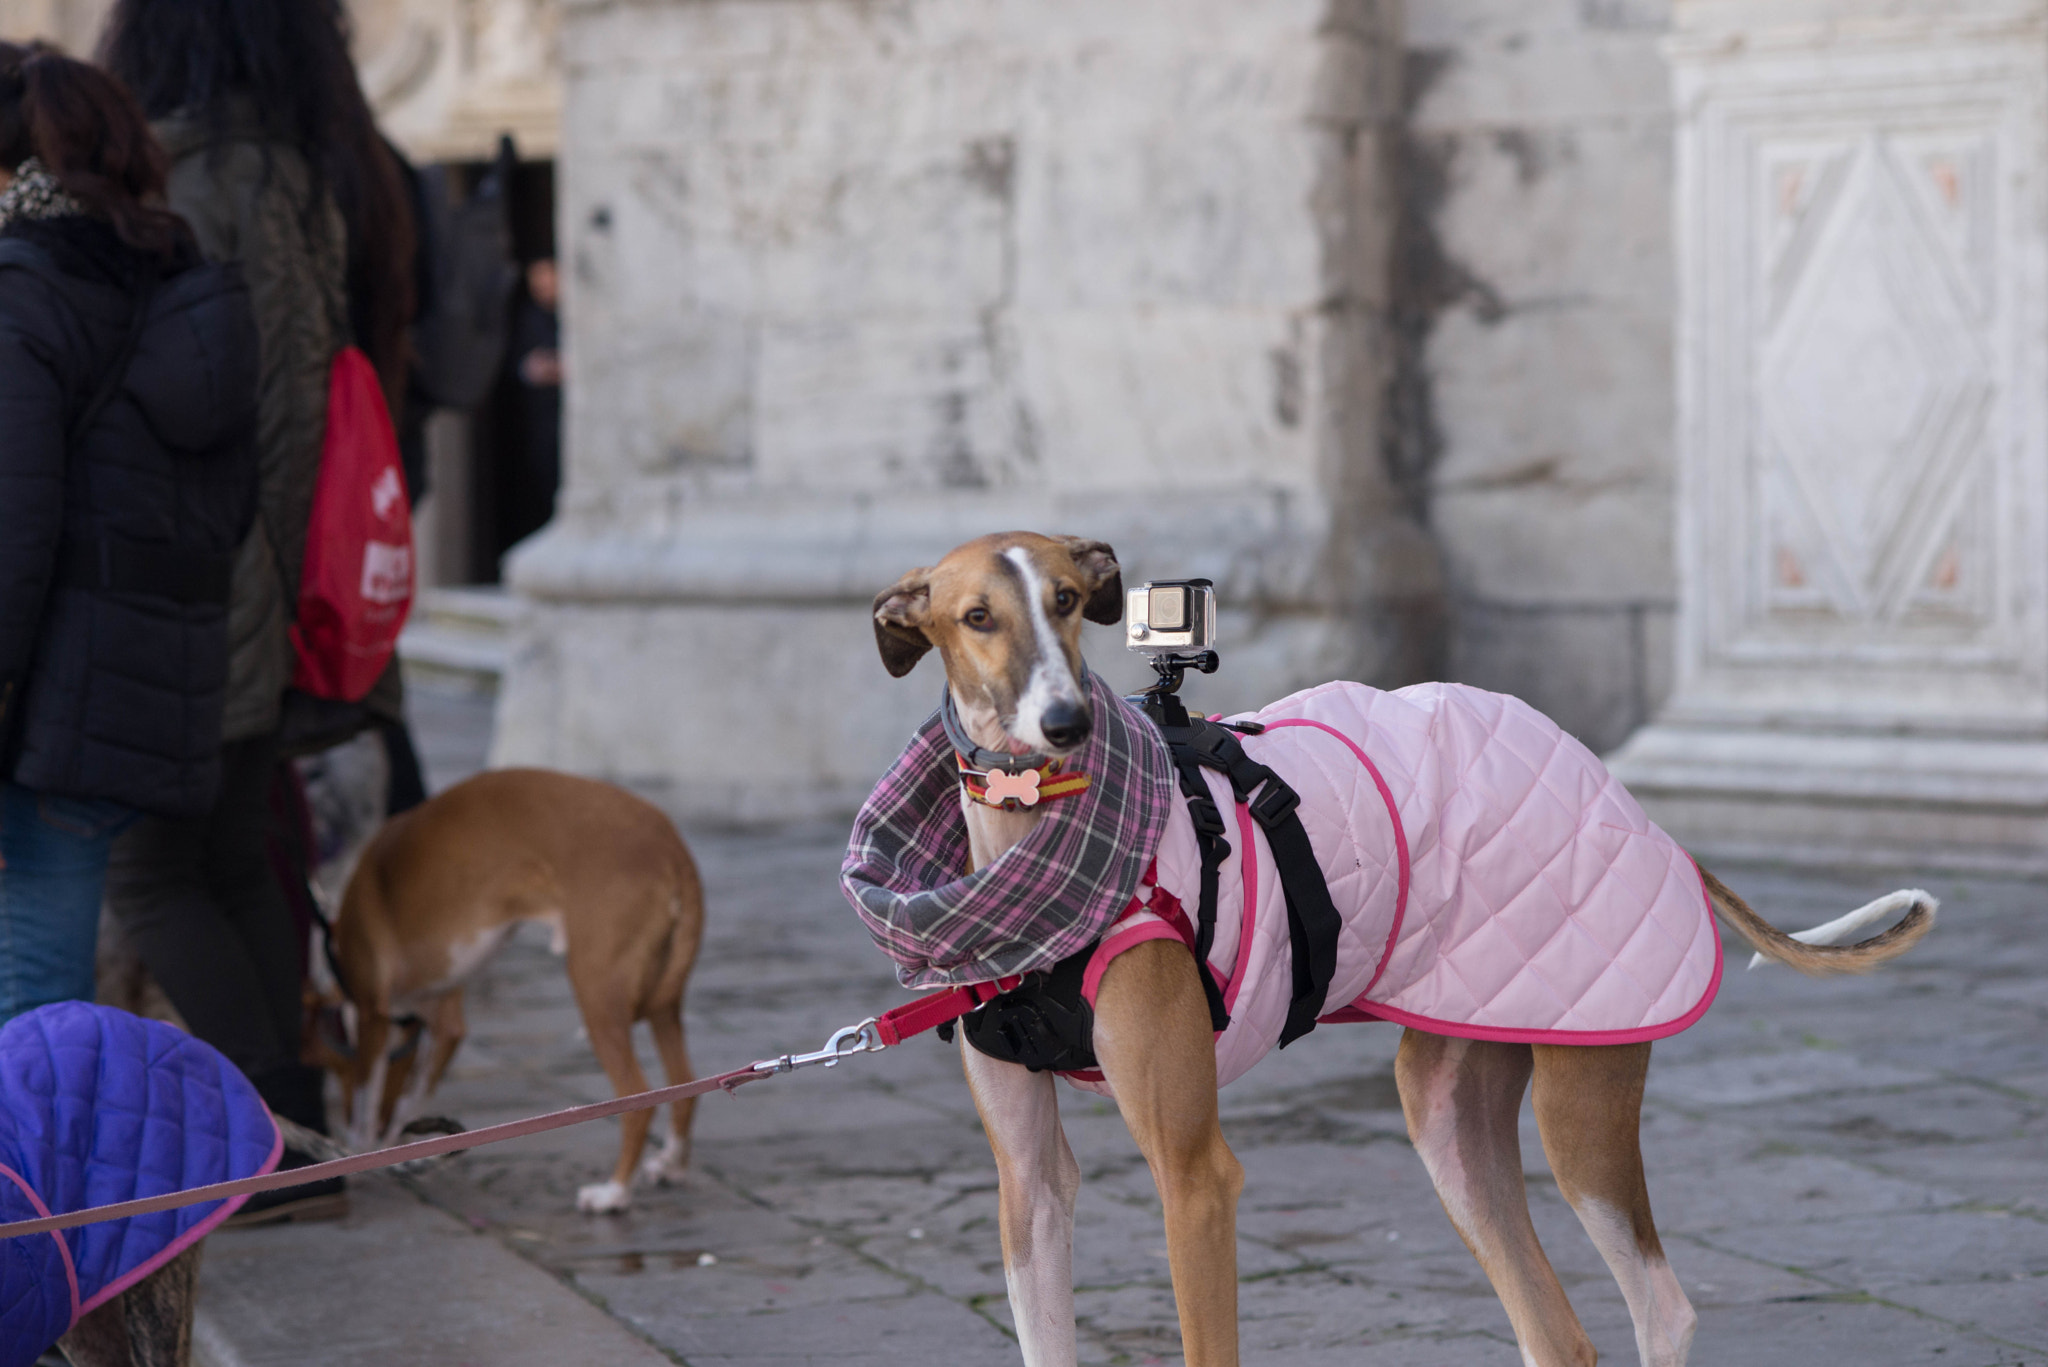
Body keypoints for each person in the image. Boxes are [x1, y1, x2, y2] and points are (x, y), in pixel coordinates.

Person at [98, 0, 416, 1223]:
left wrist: (249, 591)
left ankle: (278, 1148)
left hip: (210, 576)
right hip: (256, 580)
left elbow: (270, 418)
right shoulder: (303, 169)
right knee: (235, 852)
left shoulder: (203, 176)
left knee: (150, 862)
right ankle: (292, 1145)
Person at [0, 42, 256, 1024]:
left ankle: (40, 1180)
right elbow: (231, 506)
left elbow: (11, 532)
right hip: (145, 685)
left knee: (31, 1000)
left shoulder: (24, 289)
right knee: (48, 991)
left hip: (47, 707)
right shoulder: (175, 281)